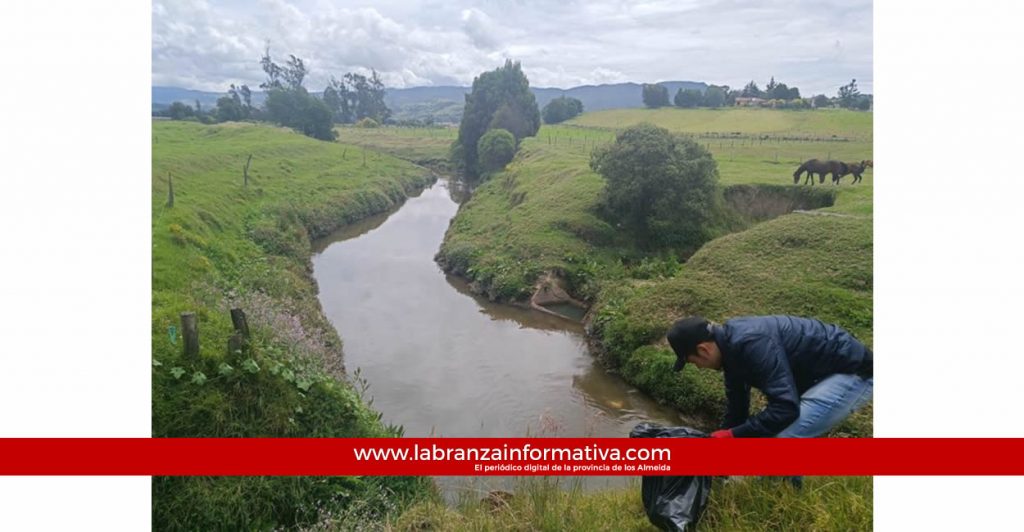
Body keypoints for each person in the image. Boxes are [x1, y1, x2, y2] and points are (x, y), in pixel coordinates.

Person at [667, 315, 873, 487]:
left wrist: (731, 435)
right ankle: (789, 492)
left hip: (852, 372)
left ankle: (780, 501)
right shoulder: (730, 352)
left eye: (692, 362)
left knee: (782, 438)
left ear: (703, 350)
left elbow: (785, 409)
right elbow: (737, 408)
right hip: (817, 376)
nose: (699, 368)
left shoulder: (751, 343)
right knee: (773, 434)